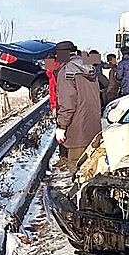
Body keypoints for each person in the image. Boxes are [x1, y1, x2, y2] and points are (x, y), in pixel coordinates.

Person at [54, 41, 102, 175]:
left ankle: (78, 195)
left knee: (77, 167)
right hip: (94, 126)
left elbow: (67, 104)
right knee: (93, 167)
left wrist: (61, 126)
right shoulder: (90, 67)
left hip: (78, 129)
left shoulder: (66, 72)